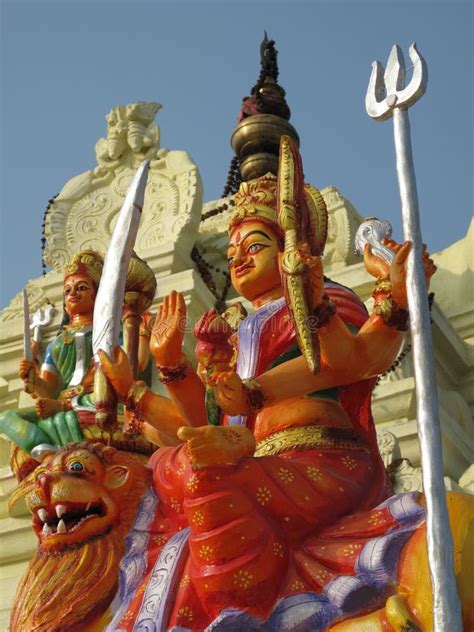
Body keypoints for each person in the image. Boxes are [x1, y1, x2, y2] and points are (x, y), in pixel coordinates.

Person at [98, 173, 436, 630]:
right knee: (170, 466)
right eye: (233, 251)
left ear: (292, 253)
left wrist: (313, 312)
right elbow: (201, 420)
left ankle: (241, 611)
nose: (237, 258)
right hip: (257, 460)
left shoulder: (329, 298)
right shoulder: (238, 332)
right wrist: (155, 376)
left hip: (321, 458)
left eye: (253, 247)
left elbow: (353, 361)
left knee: (204, 474)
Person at [0, 250, 154, 461]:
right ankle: (44, 452)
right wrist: (33, 380)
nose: (73, 294)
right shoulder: (57, 343)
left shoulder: (109, 331)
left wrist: (141, 331)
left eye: (81, 288)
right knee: (7, 418)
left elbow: (135, 366)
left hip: (98, 400)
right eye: (67, 290)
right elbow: (50, 389)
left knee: (103, 400)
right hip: (64, 404)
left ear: (97, 294)